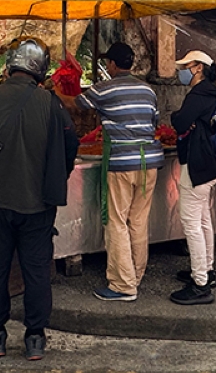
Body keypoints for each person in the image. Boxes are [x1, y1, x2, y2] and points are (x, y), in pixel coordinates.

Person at [0, 37, 79, 361]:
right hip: (38, 206)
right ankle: (35, 338)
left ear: (11, 66)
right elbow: (71, 146)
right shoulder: (51, 105)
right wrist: (56, 175)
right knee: (36, 272)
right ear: (40, 70)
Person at [63, 42, 163, 302]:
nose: (107, 66)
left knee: (117, 222)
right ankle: (135, 275)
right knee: (138, 221)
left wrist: (54, 93)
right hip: (149, 162)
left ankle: (123, 285)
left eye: (108, 62)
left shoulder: (106, 88)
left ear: (113, 65)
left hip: (122, 163)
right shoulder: (148, 90)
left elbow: (76, 105)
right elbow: (154, 123)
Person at [169, 50, 216, 306]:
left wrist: (177, 119)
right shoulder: (213, 93)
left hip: (198, 165)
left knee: (191, 223)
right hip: (212, 164)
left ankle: (200, 283)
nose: (181, 70)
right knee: (203, 220)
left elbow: (180, 122)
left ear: (199, 68)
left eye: (186, 66)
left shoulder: (199, 94)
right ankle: (206, 270)